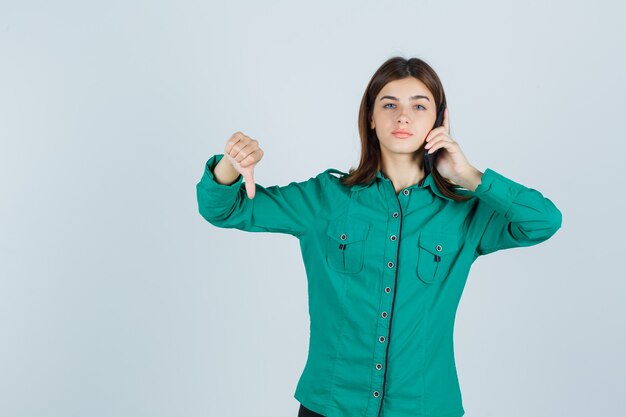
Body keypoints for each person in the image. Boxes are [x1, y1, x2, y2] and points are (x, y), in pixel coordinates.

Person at [196, 56, 563, 417]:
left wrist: (469, 175)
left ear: (440, 119)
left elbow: (543, 221)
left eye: (419, 106)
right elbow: (224, 209)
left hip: (425, 407)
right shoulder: (324, 199)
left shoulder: (464, 211)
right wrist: (232, 163)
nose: (403, 116)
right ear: (370, 117)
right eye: (389, 104)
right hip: (331, 405)